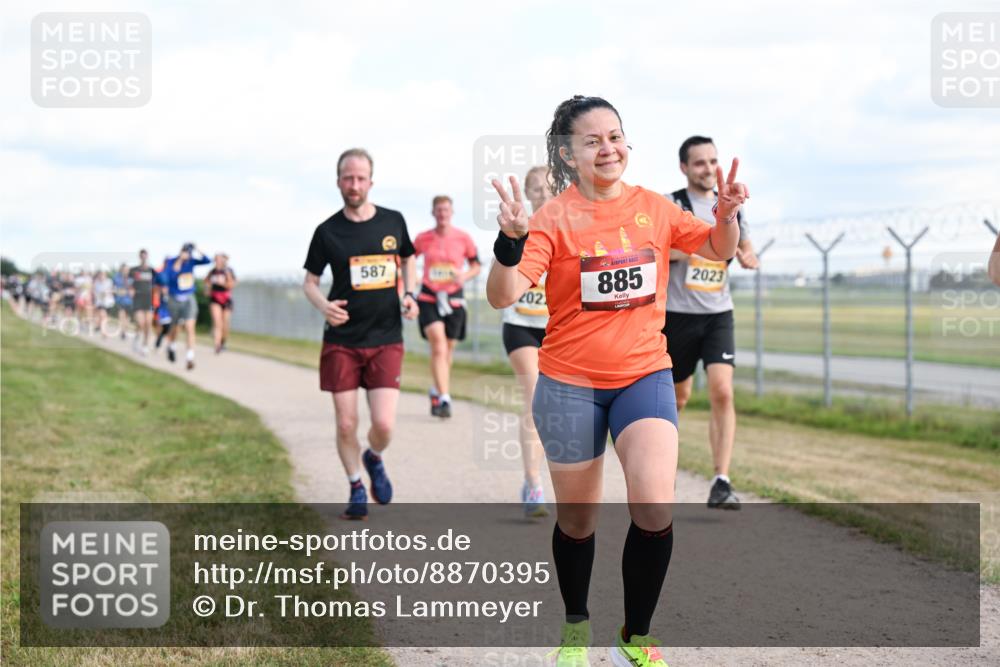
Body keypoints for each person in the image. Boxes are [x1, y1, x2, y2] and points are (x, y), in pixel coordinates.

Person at [486, 95, 746, 666]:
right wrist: (510, 241)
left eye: (616, 136)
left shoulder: (654, 208)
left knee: (654, 502)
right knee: (578, 519)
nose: (608, 148)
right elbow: (502, 295)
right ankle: (576, 625)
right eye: (592, 140)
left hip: (643, 375)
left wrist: (724, 216)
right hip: (569, 383)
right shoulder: (552, 218)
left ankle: (635, 636)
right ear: (569, 154)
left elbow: (716, 250)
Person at [302, 148, 419, 521]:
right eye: (348, 178)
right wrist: (324, 306)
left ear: (371, 181)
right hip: (342, 342)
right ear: (339, 182)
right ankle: (355, 485)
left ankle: (374, 457)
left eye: (361, 178)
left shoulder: (393, 221)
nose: (354, 185)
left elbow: (408, 258)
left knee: (383, 425)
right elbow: (309, 282)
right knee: (346, 423)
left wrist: (410, 293)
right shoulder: (327, 231)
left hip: (386, 337)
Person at [664, 135, 758, 510]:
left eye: (712, 161)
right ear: (684, 167)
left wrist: (747, 255)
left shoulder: (730, 203)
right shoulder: (673, 205)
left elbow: (744, 244)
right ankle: (662, 465)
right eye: (699, 162)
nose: (707, 168)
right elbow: (655, 248)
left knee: (722, 390)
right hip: (677, 315)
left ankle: (721, 479)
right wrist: (695, 248)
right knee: (678, 397)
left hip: (718, 312)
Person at [501, 166, 553, 517]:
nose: (543, 193)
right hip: (520, 324)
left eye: (550, 187)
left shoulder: (572, 228)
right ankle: (533, 483)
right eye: (536, 188)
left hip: (558, 328)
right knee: (535, 397)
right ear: (529, 194)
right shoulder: (520, 227)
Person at [412, 195, 481, 418]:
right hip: (429, 296)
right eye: (438, 210)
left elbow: (476, 265)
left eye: (446, 210)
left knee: (448, 349)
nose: (442, 214)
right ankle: (444, 398)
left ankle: (436, 389)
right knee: (439, 346)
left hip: (454, 297)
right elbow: (408, 260)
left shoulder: (463, 238)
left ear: (451, 213)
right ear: (433, 213)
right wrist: (409, 281)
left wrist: (465, 275)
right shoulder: (423, 238)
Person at [161, 243, 211, 370]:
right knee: (175, 327)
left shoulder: (192, 262)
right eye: (186, 252)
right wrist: (179, 260)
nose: (188, 255)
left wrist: (198, 248)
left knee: (189, 327)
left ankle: (190, 357)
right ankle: (171, 346)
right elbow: (170, 274)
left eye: (189, 253)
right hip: (174, 298)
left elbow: (208, 260)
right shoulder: (171, 261)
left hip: (189, 298)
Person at [205, 253, 237, 353]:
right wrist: (207, 289)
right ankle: (217, 345)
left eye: (220, 259)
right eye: (216, 259)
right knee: (217, 322)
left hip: (226, 298)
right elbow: (206, 282)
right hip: (215, 298)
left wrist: (223, 283)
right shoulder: (212, 272)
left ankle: (223, 342)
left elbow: (232, 284)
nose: (218, 261)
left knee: (225, 323)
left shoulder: (228, 271)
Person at [129, 249, 158, 355]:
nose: (144, 258)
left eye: (145, 256)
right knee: (141, 323)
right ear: (139, 257)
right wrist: (131, 290)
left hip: (149, 299)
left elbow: (157, 283)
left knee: (148, 324)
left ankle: (145, 345)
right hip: (138, 299)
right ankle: (137, 338)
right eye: (142, 256)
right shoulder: (134, 270)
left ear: (147, 257)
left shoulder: (152, 271)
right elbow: (129, 283)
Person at [113, 263, 133, 341]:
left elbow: (133, 288)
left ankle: (125, 330)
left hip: (129, 301)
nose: (126, 271)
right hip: (120, 300)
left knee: (127, 317)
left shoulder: (131, 278)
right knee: (121, 316)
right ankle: (123, 332)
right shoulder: (117, 277)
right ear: (121, 270)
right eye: (124, 269)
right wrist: (117, 292)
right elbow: (114, 288)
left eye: (127, 270)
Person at [92, 270, 116, 337]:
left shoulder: (109, 281)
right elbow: (94, 292)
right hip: (100, 302)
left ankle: (99, 326)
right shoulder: (96, 282)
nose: (101, 276)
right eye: (100, 275)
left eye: (103, 275)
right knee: (103, 315)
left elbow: (113, 290)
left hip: (108, 302)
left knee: (105, 317)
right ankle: (103, 331)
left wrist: (108, 292)